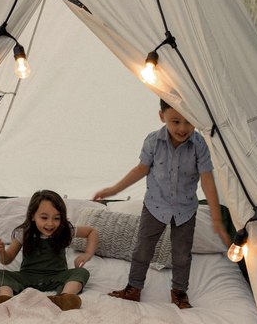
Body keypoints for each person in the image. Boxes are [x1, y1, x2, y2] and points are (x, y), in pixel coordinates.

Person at [93, 99, 231, 309]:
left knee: (182, 255)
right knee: (142, 250)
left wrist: (217, 218)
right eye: (175, 121)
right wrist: (113, 190)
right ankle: (134, 288)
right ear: (162, 116)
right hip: (155, 206)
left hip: (185, 209)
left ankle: (179, 292)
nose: (182, 128)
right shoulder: (153, 141)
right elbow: (141, 169)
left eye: (188, 122)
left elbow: (207, 179)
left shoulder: (199, 145)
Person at [0, 190, 99, 310]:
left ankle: (64, 297)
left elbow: (91, 232)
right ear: (32, 216)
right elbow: (7, 259)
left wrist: (88, 254)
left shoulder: (65, 230)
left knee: (81, 272)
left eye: (56, 218)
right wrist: (1, 252)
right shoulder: (24, 233)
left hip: (58, 276)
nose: (50, 223)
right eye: (44, 217)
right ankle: (6, 300)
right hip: (28, 277)